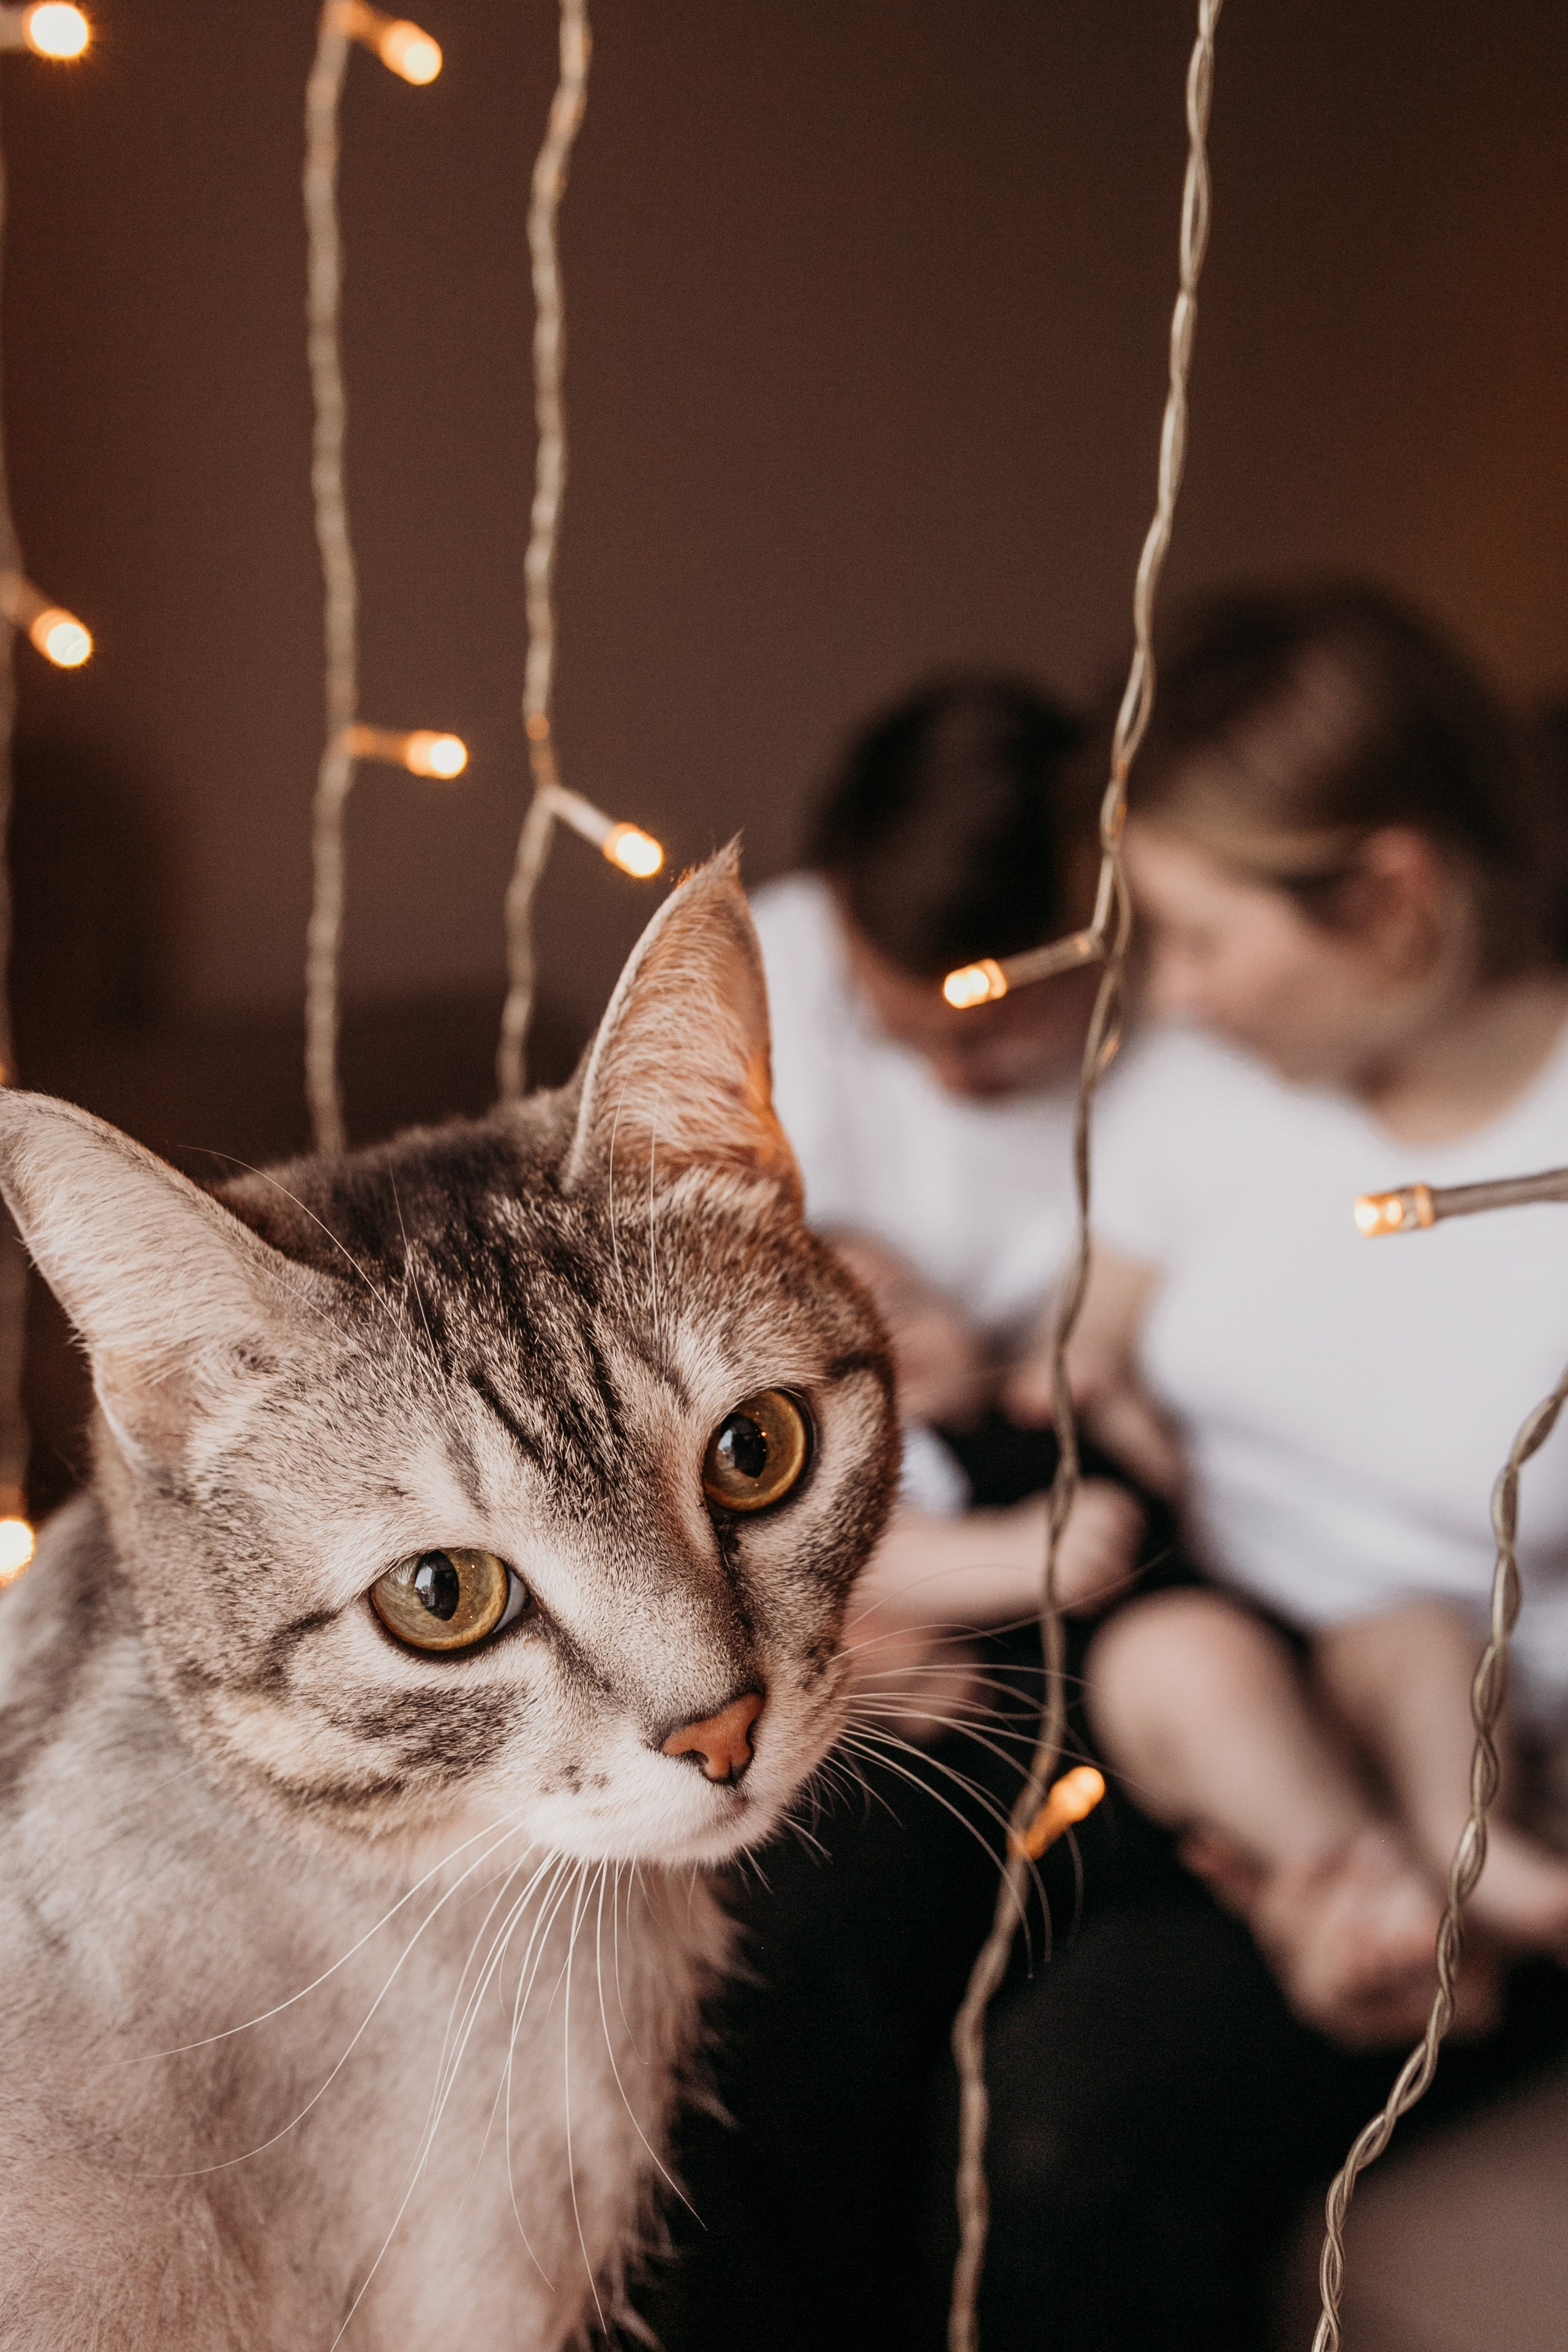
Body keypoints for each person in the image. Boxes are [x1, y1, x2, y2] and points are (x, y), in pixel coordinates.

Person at [1001, 580, 1568, 2052]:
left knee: (1084, 2098)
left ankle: (1437, 1891)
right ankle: (1343, 1893)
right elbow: (1074, 1352)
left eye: (1194, 938)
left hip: (1492, 1705)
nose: (1166, 996)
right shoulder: (1203, 1092)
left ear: (1388, 900)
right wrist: (1071, 1387)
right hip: (1216, 1641)